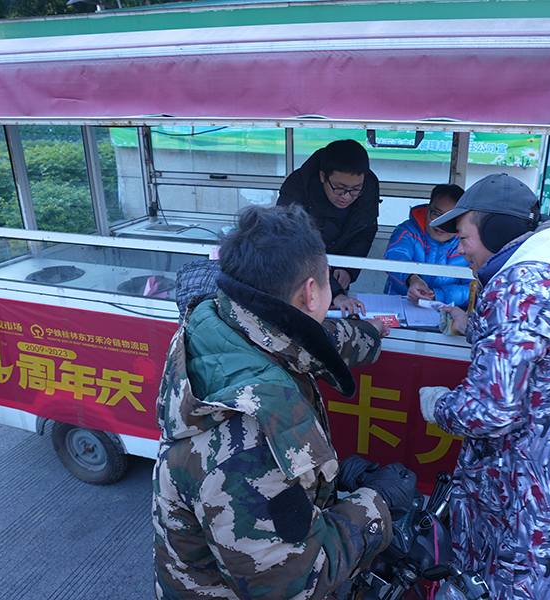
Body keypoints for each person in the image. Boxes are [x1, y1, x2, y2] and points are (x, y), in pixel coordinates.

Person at [153, 204, 418, 600]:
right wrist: (375, 505)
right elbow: (294, 582)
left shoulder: (220, 317)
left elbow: (310, 340)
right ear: (311, 292)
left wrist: (372, 332)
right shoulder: (253, 436)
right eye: (328, 281)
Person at [417, 173, 550, 600]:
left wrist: (437, 404)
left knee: (515, 585)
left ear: (497, 231)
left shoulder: (516, 287)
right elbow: (543, 343)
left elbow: (488, 411)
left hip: (542, 486)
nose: (460, 248)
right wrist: (472, 324)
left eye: (464, 236)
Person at [277, 139, 379, 317]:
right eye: (340, 188)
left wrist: (348, 268)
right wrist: (335, 291)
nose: (347, 197)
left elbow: (365, 230)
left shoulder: (369, 186)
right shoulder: (296, 189)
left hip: (336, 279)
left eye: (356, 189)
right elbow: (293, 247)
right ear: (323, 176)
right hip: (296, 274)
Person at [383, 183, 471, 308]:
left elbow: (473, 288)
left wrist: (437, 295)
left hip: (448, 313)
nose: (441, 224)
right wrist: (412, 278)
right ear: (427, 210)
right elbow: (396, 255)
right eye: (437, 214)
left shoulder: (467, 242)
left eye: (450, 218)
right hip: (400, 306)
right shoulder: (408, 231)